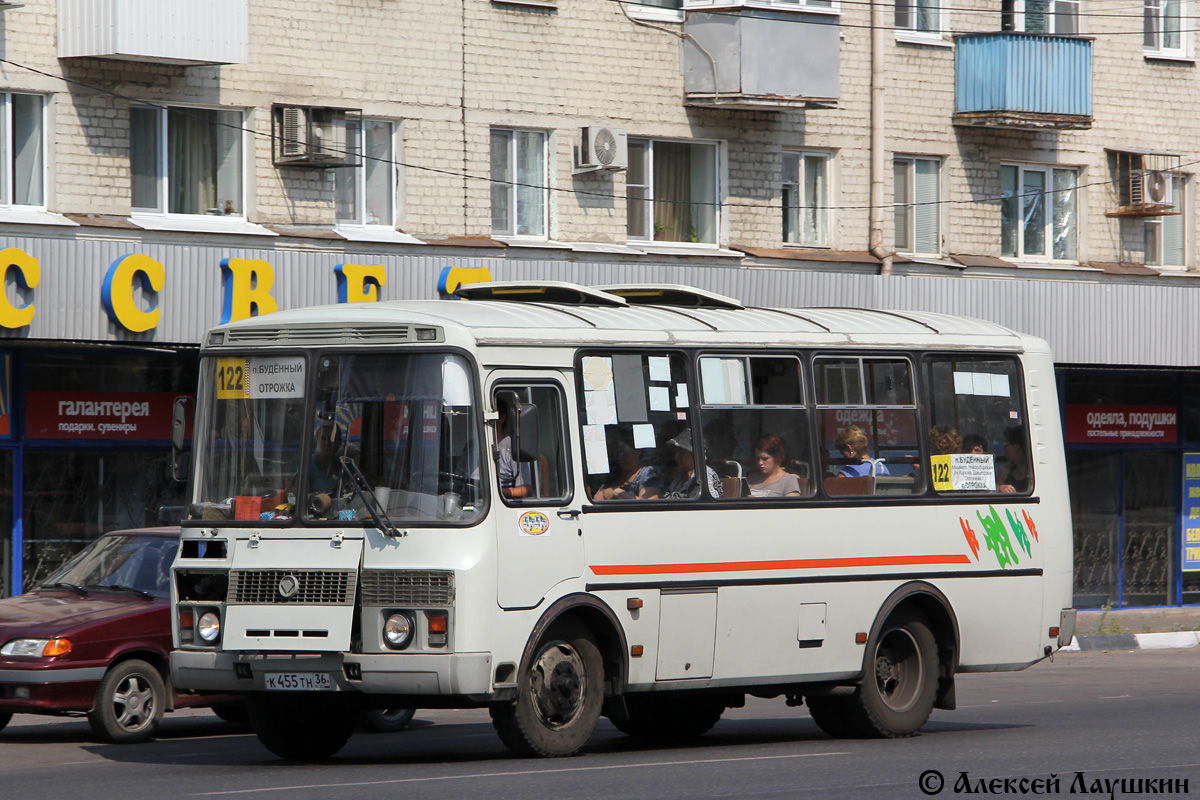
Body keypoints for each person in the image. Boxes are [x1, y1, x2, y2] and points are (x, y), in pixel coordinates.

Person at [593, 434, 662, 500]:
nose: (621, 458)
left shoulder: (648, 473)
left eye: (625, 454)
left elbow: (649, 503)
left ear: (638, 452)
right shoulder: (614, 474)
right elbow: (599, 497)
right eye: (618, 454)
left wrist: (616, 492)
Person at [663, 429, 722, 499]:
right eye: (676, 453)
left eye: (681, 453)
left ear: (694, 455)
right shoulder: (679, 475)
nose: (676, 457)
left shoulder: (705, 475)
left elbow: (706, 504)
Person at [496, 399, 531, 499]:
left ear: (502, 418)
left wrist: (497, 493)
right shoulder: (471, 447)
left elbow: (526, 489)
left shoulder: (513, 448)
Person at [997, 426, 1032, 493]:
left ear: (1016, 447)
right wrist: (1000, 487)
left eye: (1006, 444)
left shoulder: (1033, 471)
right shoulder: (1006, 470)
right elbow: (995, 488)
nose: (1003, 448)